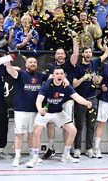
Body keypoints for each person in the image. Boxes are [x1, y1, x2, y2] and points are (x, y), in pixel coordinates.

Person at [26, 67, 92, 167]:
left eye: (61, 73)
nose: (59, 75)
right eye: (57, 73)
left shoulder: (67, 86)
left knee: (73, 130)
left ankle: (66, 155)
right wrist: (39, 109)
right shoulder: (47, 85)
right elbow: (39, 100)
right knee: (36, 131)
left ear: (64, 75)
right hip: (45, 112)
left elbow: (76, 97)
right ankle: (35, 158)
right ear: (53, 76)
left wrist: (86, 102)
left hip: (58, 112)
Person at [72, 36, 108, 158]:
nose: (88, 53)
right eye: (86, 52)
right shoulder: (78, 67)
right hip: (81, 100)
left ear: (91, 54)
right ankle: (76, 148)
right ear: (82, 54)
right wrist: (83, 78)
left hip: (93, 99)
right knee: (79, 125)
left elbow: (107, 53)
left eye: (89, 52)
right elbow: (74, 84)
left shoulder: (95, 62)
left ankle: (89, 148)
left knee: (91, 125)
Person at [42, 31, 79, 160]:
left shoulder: (70, 64)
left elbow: (75, 54)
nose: (60, 55)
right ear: (55, 55)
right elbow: (46, 81)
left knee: (67, 125)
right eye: (58, 53)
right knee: (50, 124)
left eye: (62, 53)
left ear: (65, 55)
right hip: (52, 99)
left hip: (67, 99)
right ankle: (51, 148)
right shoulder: (50, 67)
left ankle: (66, 152)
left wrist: (74, 38)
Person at [5, 57, 49, 167]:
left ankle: (33, 156)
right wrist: (7, 63)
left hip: (35, 111)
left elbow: (55, 77)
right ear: (26, 64)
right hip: (21, 110)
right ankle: (17, 157)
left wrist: (65, 79)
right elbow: (11, 71)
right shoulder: (21, 74)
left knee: (33, 134)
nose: (33, 64)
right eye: (30, 62)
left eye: (34, 62)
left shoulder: (41, 75)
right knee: (19, 134)